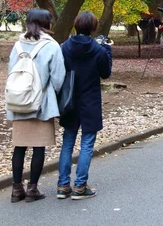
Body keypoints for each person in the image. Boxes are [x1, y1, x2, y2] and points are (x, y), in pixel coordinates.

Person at [8, 9, 65, 203]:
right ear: (46, 23)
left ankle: (16, 189)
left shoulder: (17, 45)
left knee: (20, 146)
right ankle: (32, 188)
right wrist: (52, 94)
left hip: (19, 100)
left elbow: (11, 72)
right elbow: (58, 78)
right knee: (39, 146)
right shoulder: (51, 46)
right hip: (42, 102)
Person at [57, 12, 112, 200]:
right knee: (87, 144)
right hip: (90, 100)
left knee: (67, 143)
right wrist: (108, 50)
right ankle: (80, 186)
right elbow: (105, 73)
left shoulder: (64, 47)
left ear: (75, 25)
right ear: (93, 28)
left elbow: (59, 72)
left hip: (69, 99)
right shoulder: (98, 50)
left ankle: (63, 185)